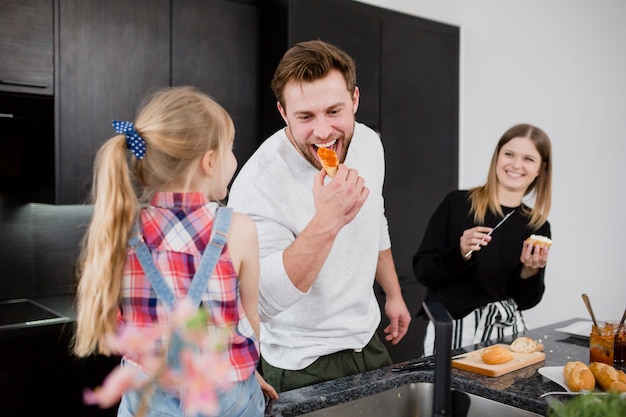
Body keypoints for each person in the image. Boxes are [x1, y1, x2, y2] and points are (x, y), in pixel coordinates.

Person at [72, 86, 277, 417]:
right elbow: (248, 322)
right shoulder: (237, 229)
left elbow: (119, 322)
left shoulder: (122, 229)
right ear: (209, 162)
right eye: (231, 148)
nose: (233, 158)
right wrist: (244, 368)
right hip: (224, 397)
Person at [227, 40, 411, 393]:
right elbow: (263, 299)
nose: (324, 132)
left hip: (367, 342)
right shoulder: (258, 184)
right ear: (283, 114)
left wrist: (393, 293)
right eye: (305, 117)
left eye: (334, 111)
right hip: (301, 363)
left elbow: (377, 218)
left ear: (354, 100)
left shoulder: (370, 143)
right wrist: (328, 220)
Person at [413, 123, 553, 356]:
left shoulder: (538, 226)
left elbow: (525, 301)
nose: (516, 165)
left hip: (505, 336)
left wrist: (530, 272)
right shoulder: (457, 204)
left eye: (528, 159)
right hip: (452, 332)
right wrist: (460, 252)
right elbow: (422, 270)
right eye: (509, 154)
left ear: (540, 168)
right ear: (497, 156)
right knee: (448, 394)